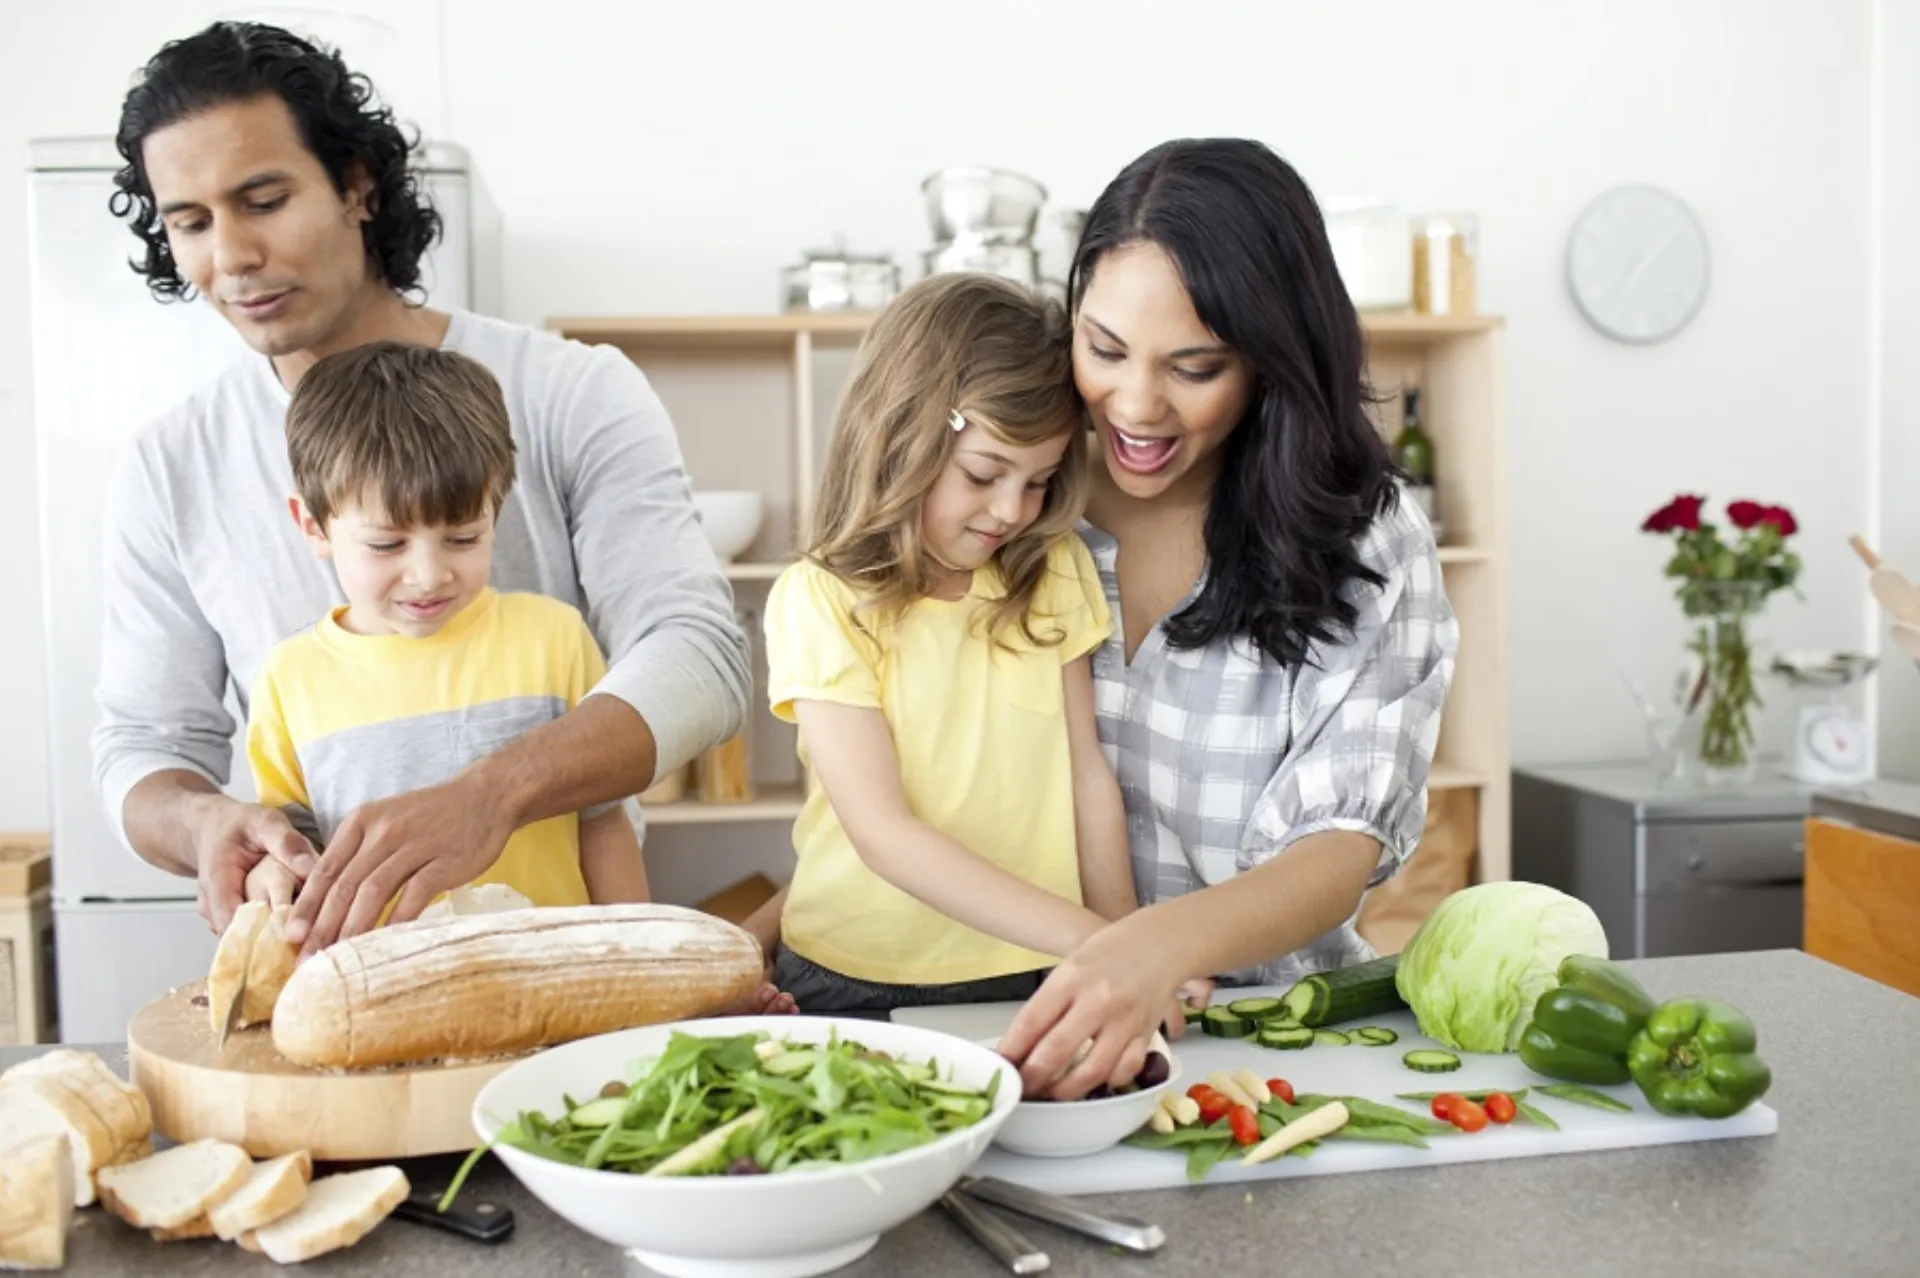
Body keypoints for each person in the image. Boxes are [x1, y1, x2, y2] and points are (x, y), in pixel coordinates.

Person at [92, 21, 749, 952]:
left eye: (264, 199)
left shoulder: (572, 390)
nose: (231, 256)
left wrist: (491, 795)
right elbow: (142, 747)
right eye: (191, 223)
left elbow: (700, 659)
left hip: (557, 956)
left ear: (357, 183)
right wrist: (203, 824)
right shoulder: (169, 466)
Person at [996, 139, 1460, 1098]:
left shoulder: (1366, 540)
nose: (1135, 405)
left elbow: (1336, 848)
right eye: (1104, 349)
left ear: (1272, 358)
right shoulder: (1014, 502)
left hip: (1275, 1049)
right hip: (1016, 1033)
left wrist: (1151, 950)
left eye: (1194, 367)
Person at [750, 273, 1154, 1016]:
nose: (1011, 510)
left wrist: (1126, 941)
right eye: (984, 474)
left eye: (1036, 482)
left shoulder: (1050, 567)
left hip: (1037, 967)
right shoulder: (821, 599)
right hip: (857, 976)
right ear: (901, 437)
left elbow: (1086, 777)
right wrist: (1090, 938)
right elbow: (883, 835)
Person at [241, 340, 648, 916]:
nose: (428, 576)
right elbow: (294, 857)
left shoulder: (555, 639)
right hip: (381, 992)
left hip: (558, 983)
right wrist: (269, 877)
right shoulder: (289, 678)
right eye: (387, 543)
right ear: (313, 525)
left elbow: (604, 826)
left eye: (463, 538)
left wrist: (639, 968)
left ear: (495, 510)